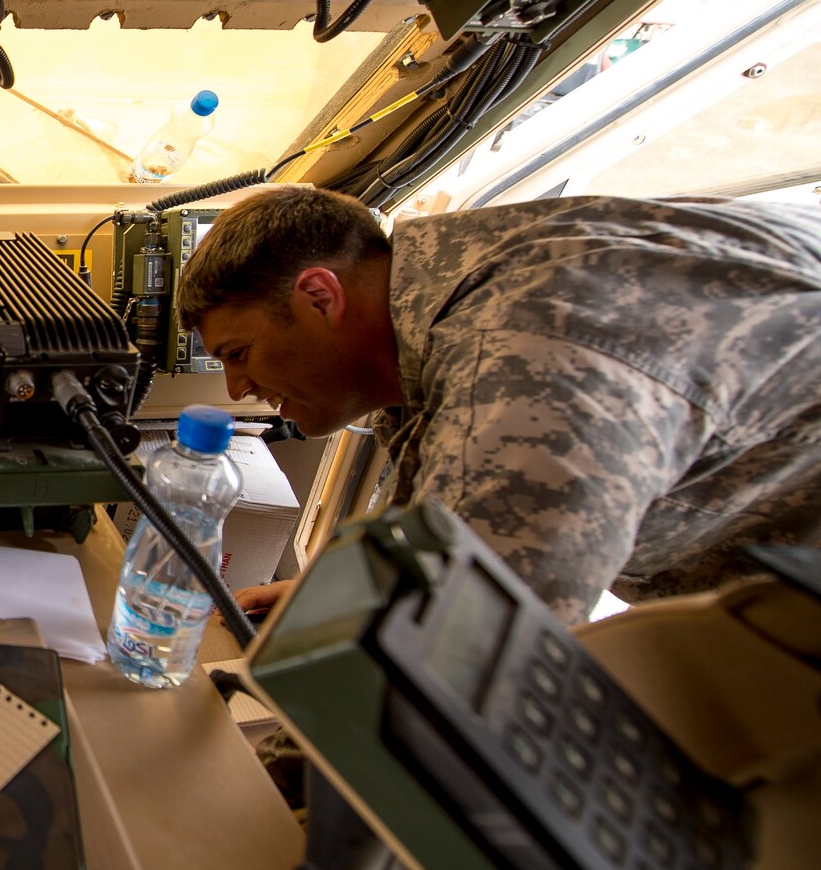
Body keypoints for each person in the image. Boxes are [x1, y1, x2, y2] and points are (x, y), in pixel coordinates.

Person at [176, 186, 821, 624]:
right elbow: (445, 525)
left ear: (320, 297)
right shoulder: (439, 316)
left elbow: (471, 646)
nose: (237, 391)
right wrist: (363, 601)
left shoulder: (524, 345)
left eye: (239, 353)